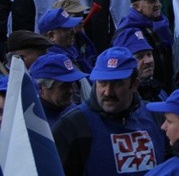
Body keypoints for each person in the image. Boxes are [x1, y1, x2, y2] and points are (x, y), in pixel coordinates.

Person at [53, 46, 166, 176]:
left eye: (117, 84)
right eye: (102, 83)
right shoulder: (72, 126)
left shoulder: (156, 116)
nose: (108, 92)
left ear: (135, 85)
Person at [115, 0, 174, 93]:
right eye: (151, 1)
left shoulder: (159, 23)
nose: (157, 4)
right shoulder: (127, 33)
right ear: (137, 6)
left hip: (164, 88)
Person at [30, 52, 88, 127]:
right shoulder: (29, 122)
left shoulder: (76, 112)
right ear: (41, 88)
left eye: (72, 84)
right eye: (64, 86)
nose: (72, 90)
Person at [112, 28, 167, 103]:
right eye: (139, 57)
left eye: (149, 54)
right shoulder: (121, 101)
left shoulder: (158, 90)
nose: (148, 61)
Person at [39, 7, 91, 72]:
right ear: (51, 35)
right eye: (67, 29)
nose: (73, 32)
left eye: (72, 27)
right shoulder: (53, 63)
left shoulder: (69, 48)